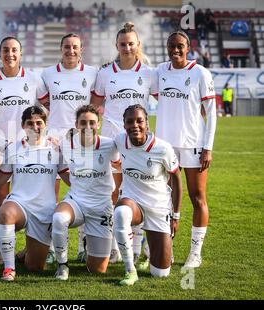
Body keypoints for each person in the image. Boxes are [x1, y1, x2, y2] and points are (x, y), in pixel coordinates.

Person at [91, 22, 158, 266]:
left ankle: (137, 247)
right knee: (111, 191)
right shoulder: (106, 73)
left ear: (138, 45)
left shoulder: (149, 73)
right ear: (116, 46)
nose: (127, 47)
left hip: (138, 140)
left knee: (139, 189)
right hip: (111, 139)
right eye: (122, 44)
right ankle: (112, 247)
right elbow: (95, 104)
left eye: (131, 43)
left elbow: (167, 101)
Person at [0, 36, 48, 264]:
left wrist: (47, 137)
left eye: (14, 50)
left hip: (28, 150)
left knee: (34, 197)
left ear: (21, 53)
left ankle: (32, 248)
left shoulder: (33, 79)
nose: (10, 54)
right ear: (0, 54)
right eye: (6, 50)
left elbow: (46, 108)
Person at [155, 30, 217, 269]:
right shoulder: (160, 71)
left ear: (188, 48)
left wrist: (208, 147)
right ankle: (165, 251)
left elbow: (211, 114)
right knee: (164, 199)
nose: (176, 50)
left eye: (180, 46)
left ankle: (195, 252)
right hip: (165, 146)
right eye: (172, 46)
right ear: (167, 47)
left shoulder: (200, 73)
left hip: (193, 144)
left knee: (197, 197)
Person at [41, 33, 97, 263]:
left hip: (82, 140)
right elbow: (45, 103)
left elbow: (97, 103)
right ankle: (52, 248)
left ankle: (84, 246)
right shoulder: (47, 74)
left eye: (75, 47)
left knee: (84, 192)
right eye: (67, 47)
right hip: (53, 140)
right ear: (60, 48)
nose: (70, 51)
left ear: (81, 49)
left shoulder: (92, 73)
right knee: (50, 195)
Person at [0, 106, 69, 281]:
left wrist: (68, 153)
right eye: (30, 123)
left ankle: (22, 256)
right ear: (23, 125)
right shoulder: (13, 149)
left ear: (45, 124)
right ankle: (8, 268)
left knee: (34, 267)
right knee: (5, 213)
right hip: (19, 204)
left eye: (39, 123)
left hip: (44, 210)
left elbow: (70, 181)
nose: (35, 127)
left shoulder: (56, 150)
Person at [113, 104, 182, 286]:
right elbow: (95, 142)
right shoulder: (120, 141)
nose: (134, 125)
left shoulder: (163, 148)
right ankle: (130, 270)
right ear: (124, 125)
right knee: (120, 212)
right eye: (130, 122)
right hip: (133, 202)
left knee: (160, 274)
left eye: (139, 121)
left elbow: (176, 179)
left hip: (158, 208)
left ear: (147, 124)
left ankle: (149, 250)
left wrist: (176, 216)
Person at [52, 105, 120, 281]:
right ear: (76, 124)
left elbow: (120, 166)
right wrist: (74, 181)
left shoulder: (109, 145)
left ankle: (89, 241)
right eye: (83, 123)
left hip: (101, 206)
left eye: (92, 123)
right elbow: (62, 167)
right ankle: (62, 266)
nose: (88, 127)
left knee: (97, 270)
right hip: (76, 201)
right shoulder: (67, 144)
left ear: (98, 124)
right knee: (59, 218)